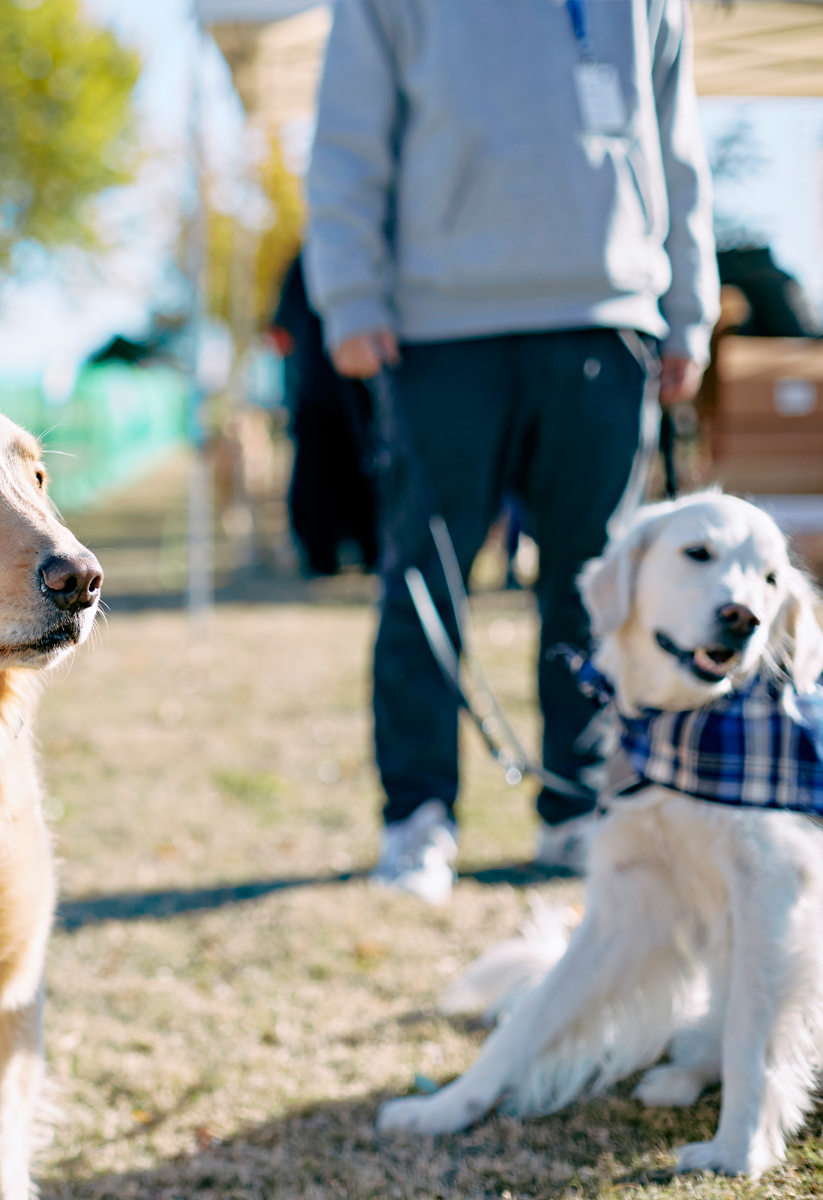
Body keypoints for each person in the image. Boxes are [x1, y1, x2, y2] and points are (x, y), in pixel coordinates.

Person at [305, 0, 716, 903]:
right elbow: (346, 138)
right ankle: (418, 818)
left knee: (599, 588)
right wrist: (348, 294)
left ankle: (581, 807)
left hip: (609, 321)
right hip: (440, 330)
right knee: (426, 579)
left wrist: (692, 307)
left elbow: (679, 148)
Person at [269, 252, 379, 578]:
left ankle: (333, 554)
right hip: (337, 386)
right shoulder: (316, 258)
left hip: (340, 386)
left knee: (342, 469)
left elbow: (280, 331)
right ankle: (337, 553)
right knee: (344, 469)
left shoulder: (304, 259)